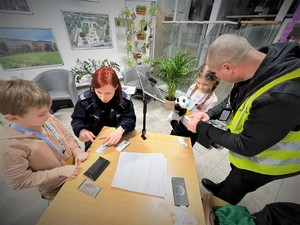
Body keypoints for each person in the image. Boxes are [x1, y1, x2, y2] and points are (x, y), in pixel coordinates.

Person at [186, 34, 300, 204]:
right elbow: (233, 99)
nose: (217, 79)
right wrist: (209, 114)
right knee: (234, 175)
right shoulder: (256, 63)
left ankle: (217, 207)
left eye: (216, 74)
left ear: (227, 68)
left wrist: (203, 128)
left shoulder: (280, 96)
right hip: (255, 146)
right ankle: (220, 187)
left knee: (234, 189)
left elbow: (245, 145)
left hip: (266, 162)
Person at [0, 79, 88, 200]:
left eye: (48, 110)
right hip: (54, 185)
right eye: (41, 114)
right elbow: (19, 181)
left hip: (74, 168)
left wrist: (77, 151)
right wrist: (59, 172)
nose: (48, 115)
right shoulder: (9, 146)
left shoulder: (48, 119)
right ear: (13, 118)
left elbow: (67, 137)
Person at [71, 66, 136, 151]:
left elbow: (130, 119)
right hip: (94, 138)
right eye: (99, 92)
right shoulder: (84, 101)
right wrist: (81, 130)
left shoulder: (124, 100)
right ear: (94, 87)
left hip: (119, 136)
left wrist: (121, 129)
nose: (103, 97)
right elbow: (77, 120)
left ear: (116, 87)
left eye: (108, 93)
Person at [170, 64, 220, 145]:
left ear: (213, 82)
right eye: (198, 83)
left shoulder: (212, 100)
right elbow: (183, 104)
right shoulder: (192, 87)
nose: (200, 86)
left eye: (205, 84)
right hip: (181, 124)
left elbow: (205, 119)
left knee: (184, 152)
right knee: (171, 144)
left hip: (192, 131)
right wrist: (174, 120)